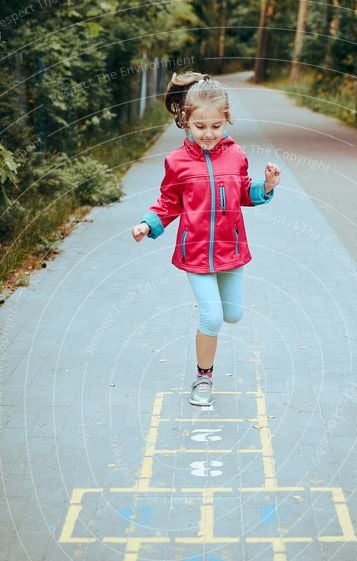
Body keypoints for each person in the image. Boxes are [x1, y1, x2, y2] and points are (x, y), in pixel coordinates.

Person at [132, 71, 280, 406]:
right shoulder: (177, 162)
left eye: (216, 126)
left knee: (234, 315)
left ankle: (212, 340)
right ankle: (203, 378)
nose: (209, 134)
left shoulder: (237, 155)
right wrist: (147, 223)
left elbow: (244, 192)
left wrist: (267, 186)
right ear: (185, 120)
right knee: (211, 317)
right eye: (201, 127)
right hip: (195, 253)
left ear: (226, 120)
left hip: (232, 248)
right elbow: (169, 202)